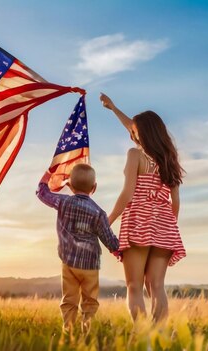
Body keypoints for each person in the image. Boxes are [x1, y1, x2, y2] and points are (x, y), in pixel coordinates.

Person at [99, 93, 186, 323]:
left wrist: (105, 222)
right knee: (157, 287)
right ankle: (159, 338)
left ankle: (143, 341)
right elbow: (175, 202)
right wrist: (114, 108)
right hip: (165, 223)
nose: (131, 134)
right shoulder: (170, 159)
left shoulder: (135, 155)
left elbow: (128, 194)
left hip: (138, 220)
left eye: (134, 132)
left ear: (141, 134)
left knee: (134, 287)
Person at [36, 163, 121, 332]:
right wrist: (118, 251)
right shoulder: (99, 213)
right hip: (90, 265)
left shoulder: (63, 201)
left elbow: (42, 193)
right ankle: (86, 330)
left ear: (69, 185)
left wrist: (48, 173)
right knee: (90, 301)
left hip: (68, 263)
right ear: (94, 188)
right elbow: (109, 239)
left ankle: (68, 330)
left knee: (69, 299)